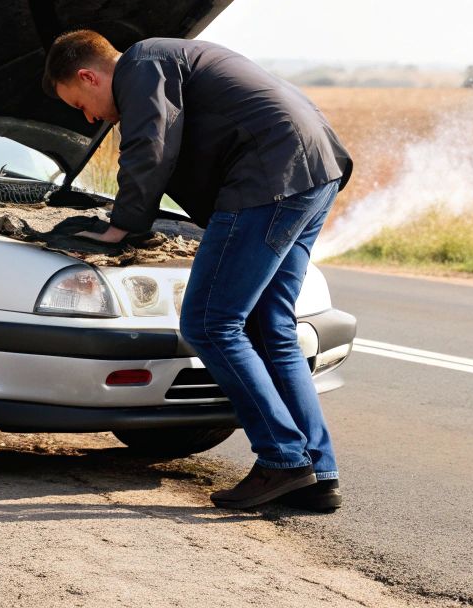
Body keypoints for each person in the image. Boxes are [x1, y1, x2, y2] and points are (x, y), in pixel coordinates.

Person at [42, 29, 353, 511]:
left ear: (89, 75)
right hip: (314, 170)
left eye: (80, 103)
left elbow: (151, 145)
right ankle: (317, 472)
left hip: (268, 176)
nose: (88, 117)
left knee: (209, 323)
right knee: (270, 326)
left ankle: (284, 460)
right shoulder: (170, 57)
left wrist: (120, 227)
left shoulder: (141, 64)